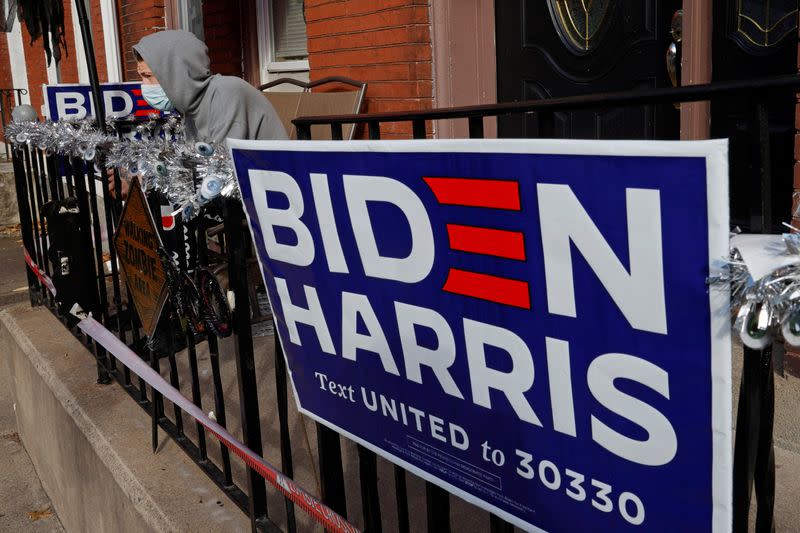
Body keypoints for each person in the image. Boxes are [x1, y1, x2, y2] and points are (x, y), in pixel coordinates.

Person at [108, 29, 287, 198]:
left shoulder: (226, 93)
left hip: (276, 198)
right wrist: (137, 173)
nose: (144, 85)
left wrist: (145, 179)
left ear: (175, 72)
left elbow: (217, 168)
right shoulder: (192, 107)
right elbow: (191, 163)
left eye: (148, 76)